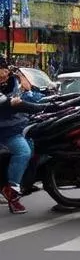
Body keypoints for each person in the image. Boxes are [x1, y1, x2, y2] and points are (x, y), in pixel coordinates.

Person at [0, 57, 35, 214]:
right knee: (23, 152)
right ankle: (12, 191)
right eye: (3, 70)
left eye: (7, 70)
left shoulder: (13, 82)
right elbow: (7, 103)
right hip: (6, 130)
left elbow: (26, 95)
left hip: (18, 125)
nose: (5, 73)